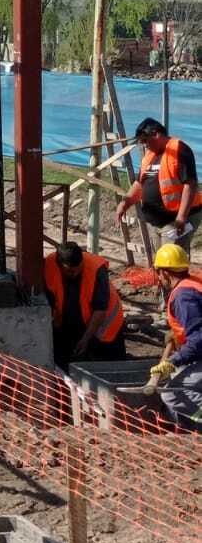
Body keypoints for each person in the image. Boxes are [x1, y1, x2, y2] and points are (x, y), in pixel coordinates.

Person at [116, 118, 202, 252]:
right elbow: (140, 183)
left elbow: (190, 185)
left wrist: (182, 216)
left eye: (145, 141)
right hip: (157, 221)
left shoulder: (179, 149)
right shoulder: (150, 155)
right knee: (161, 262)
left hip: (175, 220)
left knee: (172, 262)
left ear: (156, 134)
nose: (144, 145)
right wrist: (125, 203)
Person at [143, 242, 202, 429]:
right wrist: (174, 335)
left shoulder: (184, 296)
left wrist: (173, 360)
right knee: (181, 379)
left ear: (165, 272)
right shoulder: (194, 284)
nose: (159, 278)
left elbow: (199, 337)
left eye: (159, 273)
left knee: (172, 393)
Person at [42, 241, 125, 368]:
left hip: (106, 324)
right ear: (60, 265)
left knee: (110, 366)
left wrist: (86, 339)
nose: (74, 274)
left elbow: (100, 310)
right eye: (69, 272)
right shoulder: (49, 266)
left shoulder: (96, 268)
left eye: (78, 270)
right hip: (73, 322)